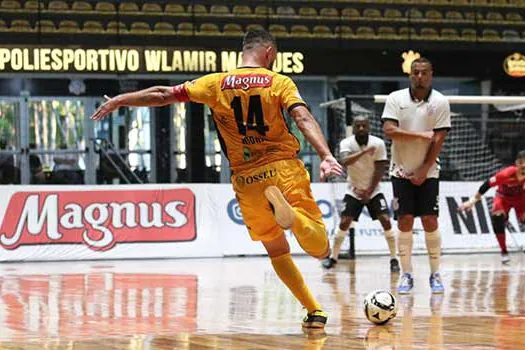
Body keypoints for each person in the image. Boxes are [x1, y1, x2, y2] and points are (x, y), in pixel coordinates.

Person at [90, 29, 344, 329]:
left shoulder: (216, 83)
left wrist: (121, 100)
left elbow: (164, 94)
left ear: (243, 51)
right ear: (270, 53)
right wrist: (326, 155)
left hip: (246, 179)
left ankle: (314, 311)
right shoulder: (279, 82)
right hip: (282, 168)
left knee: (276, 250)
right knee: (321, 248)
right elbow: (302, 118)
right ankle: (295, 219)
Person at [381, 57, 451, 294]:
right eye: (415, 73)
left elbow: (438, 140)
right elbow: (389, 130)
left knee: (430, 220)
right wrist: (420, 135)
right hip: (400, 171)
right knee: (405, 220)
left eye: (424, 73)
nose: (419, 77)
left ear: (431, 75)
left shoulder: (441, 102)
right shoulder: (395, 99)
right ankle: (406, 274)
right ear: (409, 75)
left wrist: (423, 169)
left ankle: (435, 274)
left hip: (429, 171)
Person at [322, 116, 399, 272]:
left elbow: (380, 169)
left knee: (385, 220)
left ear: (369, 127)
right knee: (344, 222)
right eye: (358, 126)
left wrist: (369, 191)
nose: (362, 128)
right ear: (354, 128)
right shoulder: (346, 143)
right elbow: (344, 161)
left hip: (374, 190)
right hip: (354, 189)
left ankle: (394, 259)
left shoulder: (378, 143)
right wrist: (363, 152)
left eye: (364, 125)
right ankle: (333, 258)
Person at [458, 150, 525, 264]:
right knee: (497, 218)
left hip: (521, 199)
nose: (524, 166)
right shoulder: (505, 174)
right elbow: (487, 184)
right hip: (503, 198)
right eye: (522, 163)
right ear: (516, 163)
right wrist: (471, 201)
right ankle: (504, 251)